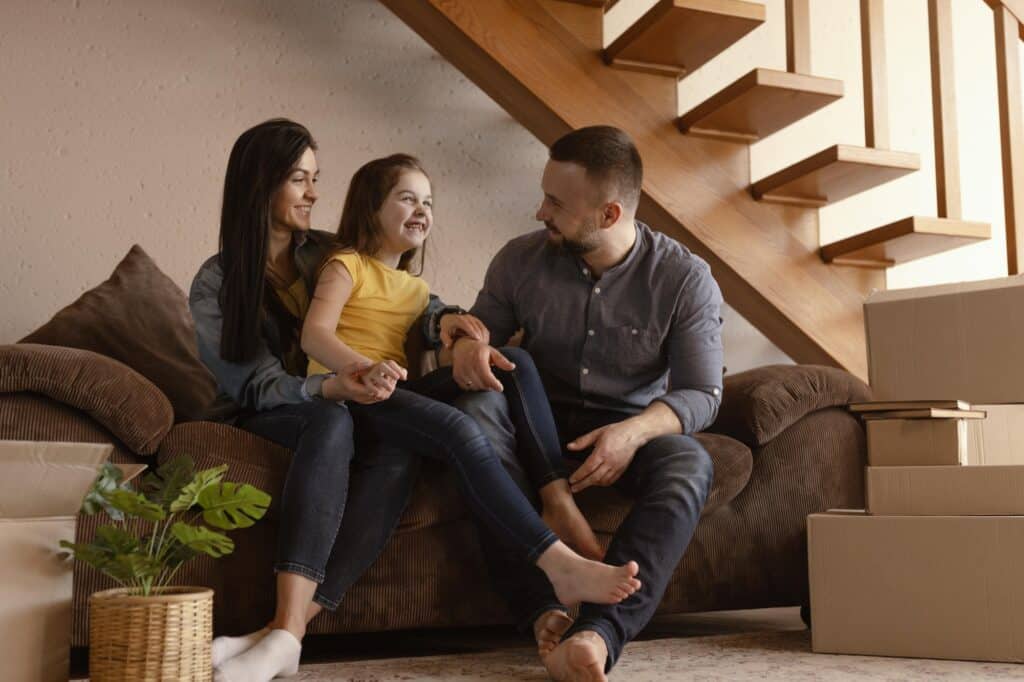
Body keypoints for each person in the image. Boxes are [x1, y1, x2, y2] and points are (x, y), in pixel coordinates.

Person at [300, 153, 638, 611]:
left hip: (392, 398)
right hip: (346, 398)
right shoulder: (346, 265)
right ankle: (560, 562)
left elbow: (434, 344)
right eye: (407, 198)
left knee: (510, 360)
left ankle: (555, 497)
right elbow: (314, 334)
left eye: (429, 201)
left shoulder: (417, 291)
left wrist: (464, 339)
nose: (422, 210)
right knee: (461, 428)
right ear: (369, 207)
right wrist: (361, 368)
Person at [451, 126, 722, 681]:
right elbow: (481, 343)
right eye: (545, 194)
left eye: (556, 202)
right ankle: (543, 609)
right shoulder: (518, 261)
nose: (539, 212)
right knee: (476, 415)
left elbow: (702, 392)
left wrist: (634, 433)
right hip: (535, 424)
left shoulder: (684, 278)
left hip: (627, 427)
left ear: (608, 214)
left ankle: (599, 631)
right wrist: (464, 346)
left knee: (690, 462)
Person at [189, 119, 420, 682]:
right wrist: (331, 387)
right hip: (268, 415)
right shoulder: (216, 283)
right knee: (330, 421)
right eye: (299, 180)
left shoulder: (329, 255)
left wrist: (453, 324)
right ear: (260, 184)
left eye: (315, 179)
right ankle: (285, 635)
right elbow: (256, 385)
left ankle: (281, 634)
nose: (315, 193)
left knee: (400, 452)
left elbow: (400, 294)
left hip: (344, 399)